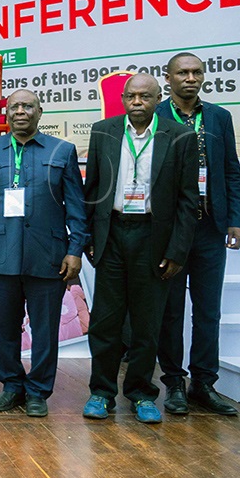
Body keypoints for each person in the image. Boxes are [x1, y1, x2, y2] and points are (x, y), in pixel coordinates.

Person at [82, 73, 198, 424]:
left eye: (145, 97)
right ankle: (101, 393)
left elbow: (188, 199)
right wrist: (89, 237)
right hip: (113, 233)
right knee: (105, 321)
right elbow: (93, 191)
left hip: (153, 237)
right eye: (131, 96)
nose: (137, 102)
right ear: (122, 98)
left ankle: (141, 394)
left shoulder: (179, 136)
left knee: (148, 323)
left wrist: (177, 251)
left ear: (157, 98)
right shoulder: (104, 131)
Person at [0, 90, 88, 417]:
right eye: (14, 107)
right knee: (5, 328)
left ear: (40, 111)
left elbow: (76, 207)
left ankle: (38, 391)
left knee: (45, 329)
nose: (21, 112)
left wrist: (74, 249)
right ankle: (11, 386)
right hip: (0, 254)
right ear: (6, 114)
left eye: (28, 107)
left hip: (48, 254)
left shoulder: (62, 150)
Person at [156, 53, 240, 416]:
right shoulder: (157, 116)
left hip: (210, 227)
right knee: (171, 311)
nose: (190, 78)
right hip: (170, 231)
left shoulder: (219, 117)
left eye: (196, 72)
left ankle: (204, 384)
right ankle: (174, 383)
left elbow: (230, 170)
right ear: (169, 78)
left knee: (208, 311)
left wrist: (234, 220)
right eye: (183, 73)